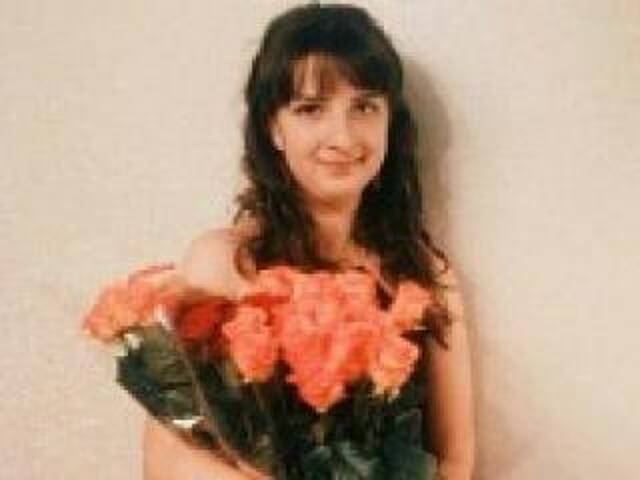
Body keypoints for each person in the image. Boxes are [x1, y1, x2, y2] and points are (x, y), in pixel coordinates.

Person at [143, 3, 475, 479]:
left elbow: (456, 459)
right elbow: (167, 459)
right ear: (273, 128)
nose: (342, 137)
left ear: (390, 121)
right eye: (311, 109)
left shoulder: (425, 275)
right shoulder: (225, 263)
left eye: (364, 106)